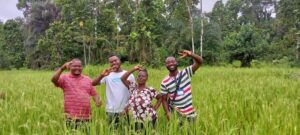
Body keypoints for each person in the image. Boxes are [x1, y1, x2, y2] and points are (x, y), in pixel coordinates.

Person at [51, 58, 101, 129]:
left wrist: (97, 101)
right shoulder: (65, 78)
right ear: (70, 67)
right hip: (70, 117)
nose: (77, 68)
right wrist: (62, 68)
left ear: (82, 67)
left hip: (86, 116)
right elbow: (53, 80)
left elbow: (94, 94)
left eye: (79, 66)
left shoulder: (88, 79)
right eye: (74, 66)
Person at [92, 55, 135, 128]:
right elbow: (93, 83)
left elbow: (134, 92)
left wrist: (129, 106)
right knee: (112, 131)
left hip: (126, 109)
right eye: (111, 62)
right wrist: (102, 75)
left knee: (126, 131)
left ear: (120, 61)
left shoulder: (129, 74)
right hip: (111, 110)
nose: (114, 63)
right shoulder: (107, 75)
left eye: (115, 60)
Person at [160, 50, 202, 123]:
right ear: (166, 65)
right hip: (176, 114)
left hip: (190, 113)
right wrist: (167, 113)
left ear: (177, 63)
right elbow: (164, 100)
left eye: (173, 61)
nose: (171, 64)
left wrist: (191, 54)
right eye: (168, 63)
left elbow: (200, 62)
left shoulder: (186, 72)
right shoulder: (164, 82)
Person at [120, 65, 162, 130]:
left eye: (143, 76)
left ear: (147, 78)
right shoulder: (133, 88)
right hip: (134, 119)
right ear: (136, 78)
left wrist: (154, 108)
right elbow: (122, 78)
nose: (141, 78)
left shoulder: (150, 90)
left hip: (148, 119)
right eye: (139, 76)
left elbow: (160, 98)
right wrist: (133, 69)